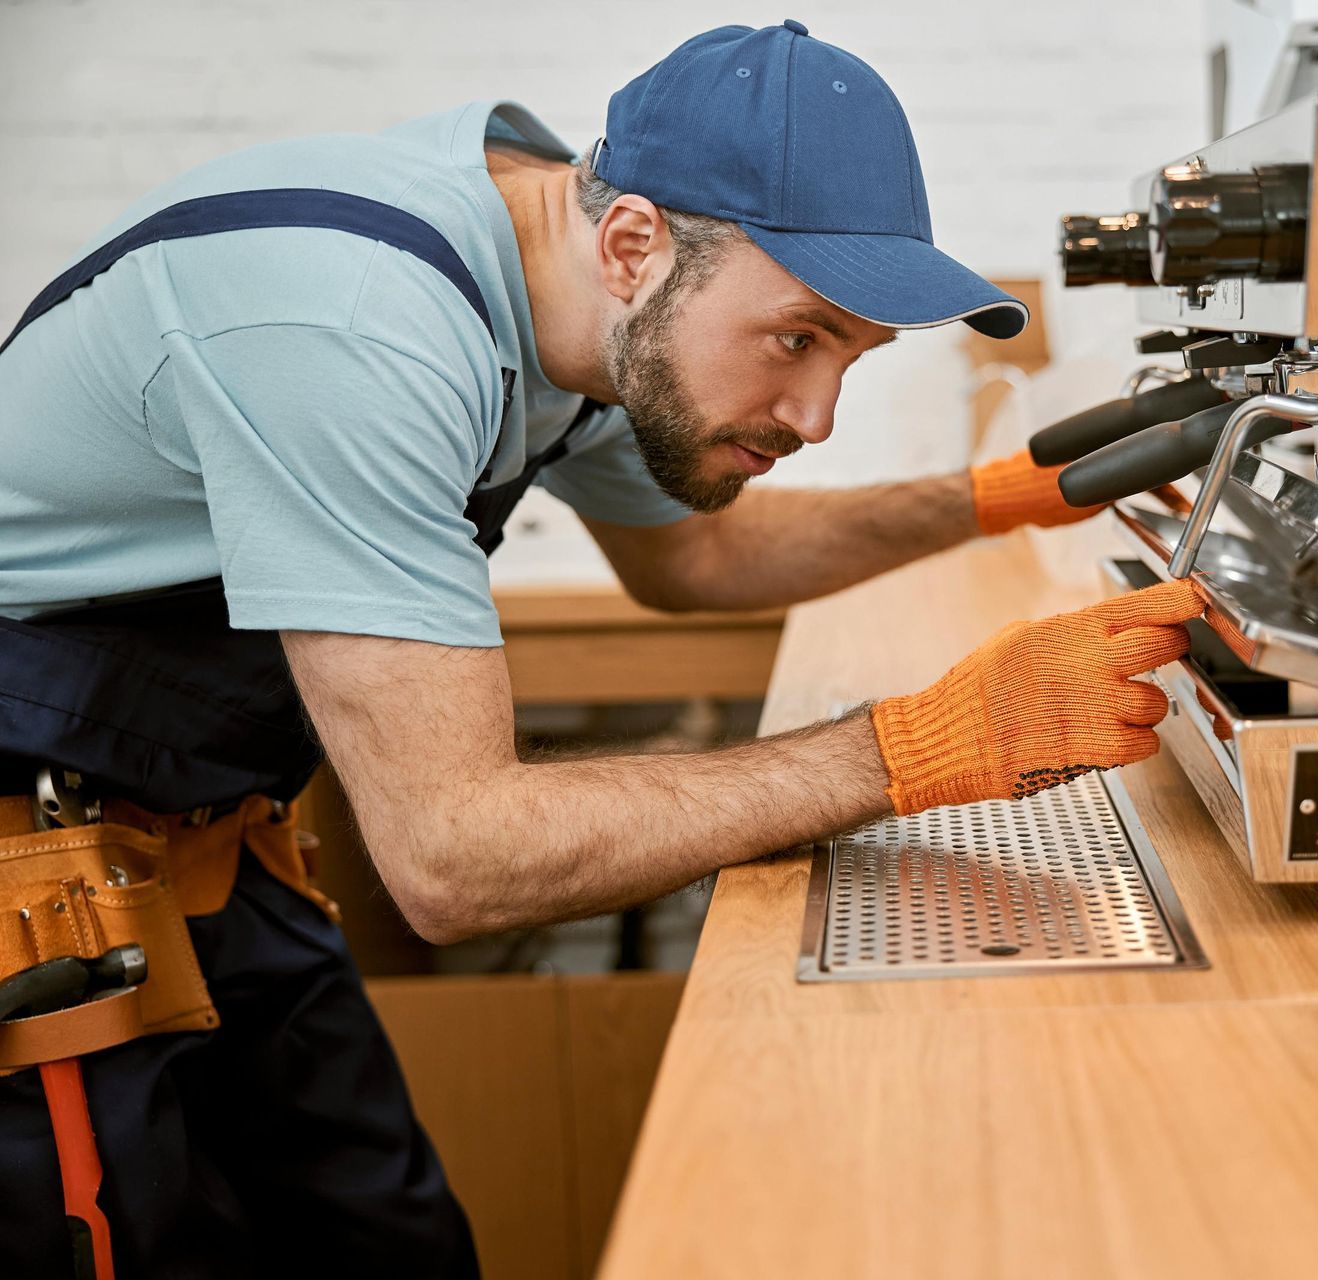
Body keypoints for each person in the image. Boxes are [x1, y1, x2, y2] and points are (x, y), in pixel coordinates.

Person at [0, 20, 1201, 1274]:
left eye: (852, 356)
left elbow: (697, 556)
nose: (818, 416)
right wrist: (921, 744)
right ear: (634, 243)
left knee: (389, 1243)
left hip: (202, 848)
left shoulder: (574, 268)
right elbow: (455, 856)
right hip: (36, 893)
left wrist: (1007, 493)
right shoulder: (356, 325)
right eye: (795, 338)